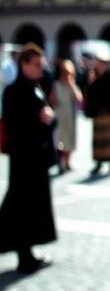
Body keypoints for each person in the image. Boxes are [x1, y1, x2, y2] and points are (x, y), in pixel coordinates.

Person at [0, 44, 57, 273]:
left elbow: (46, 117)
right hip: (24, 159)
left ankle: (28, 252)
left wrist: (49, 118)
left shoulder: (36, 86)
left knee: (31, 207)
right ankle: (24, 255)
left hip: (36, 159)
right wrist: (40, 118)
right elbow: (15, 126)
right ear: (24, 64)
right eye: (36, 65)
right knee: (20, 205)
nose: (41, 70)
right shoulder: (13, 91)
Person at [85, 53, 110, 175]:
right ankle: (98, 162)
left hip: (108, 111)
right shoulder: (94, 76)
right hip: (97, 112)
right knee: (98, 139)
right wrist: (92, 82)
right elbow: (91, 93)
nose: (99, 66)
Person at [49, 59, 81, 173]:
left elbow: (79, 99)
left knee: (70, 139)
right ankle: (60, 162)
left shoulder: (72, 85)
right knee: (60, 139)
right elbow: (52, 101)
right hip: (60, 115)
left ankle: (67, 162)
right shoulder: (56, 85)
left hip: (70, 115)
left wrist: (71, 84)